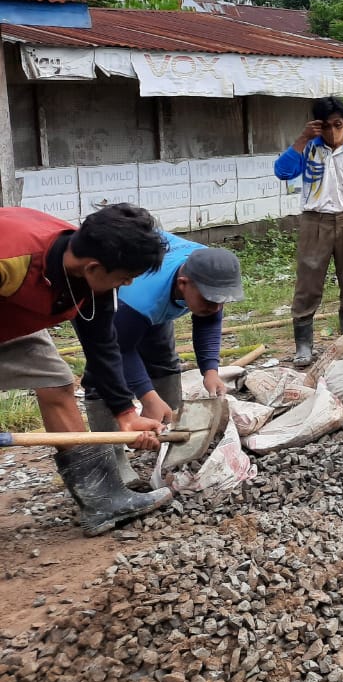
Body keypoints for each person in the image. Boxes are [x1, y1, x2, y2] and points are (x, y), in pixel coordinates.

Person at [0, 204, 171, 536]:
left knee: (57, 383)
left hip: (12, 315)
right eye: (124, 278)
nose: (128, 283)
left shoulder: (91, 268)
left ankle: (103, 501)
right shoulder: (11, 258)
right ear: (93, 268)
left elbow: (101, 341)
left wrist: (125, 412)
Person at [84, 237, 244, 486]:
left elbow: (209, 321)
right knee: (102, 374)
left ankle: (165, 443)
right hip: (107, 294)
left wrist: (210, 370)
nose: (216, 307)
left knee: (163, 359)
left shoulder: (211, 272)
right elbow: (119, 349)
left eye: (220, 301)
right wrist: (148, 396)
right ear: (183, 284)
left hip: (153, 298)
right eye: (209, 301)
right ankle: (113, 460)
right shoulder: (142, 298)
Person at [274, 96, 343, 367]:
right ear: (316, 126)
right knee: (308, 283)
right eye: (325, 126)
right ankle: (303, 345)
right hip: (315, 221)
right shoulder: (307, 149)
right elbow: (282, 172)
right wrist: (302, 139)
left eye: (338, 125)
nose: (333, 132)